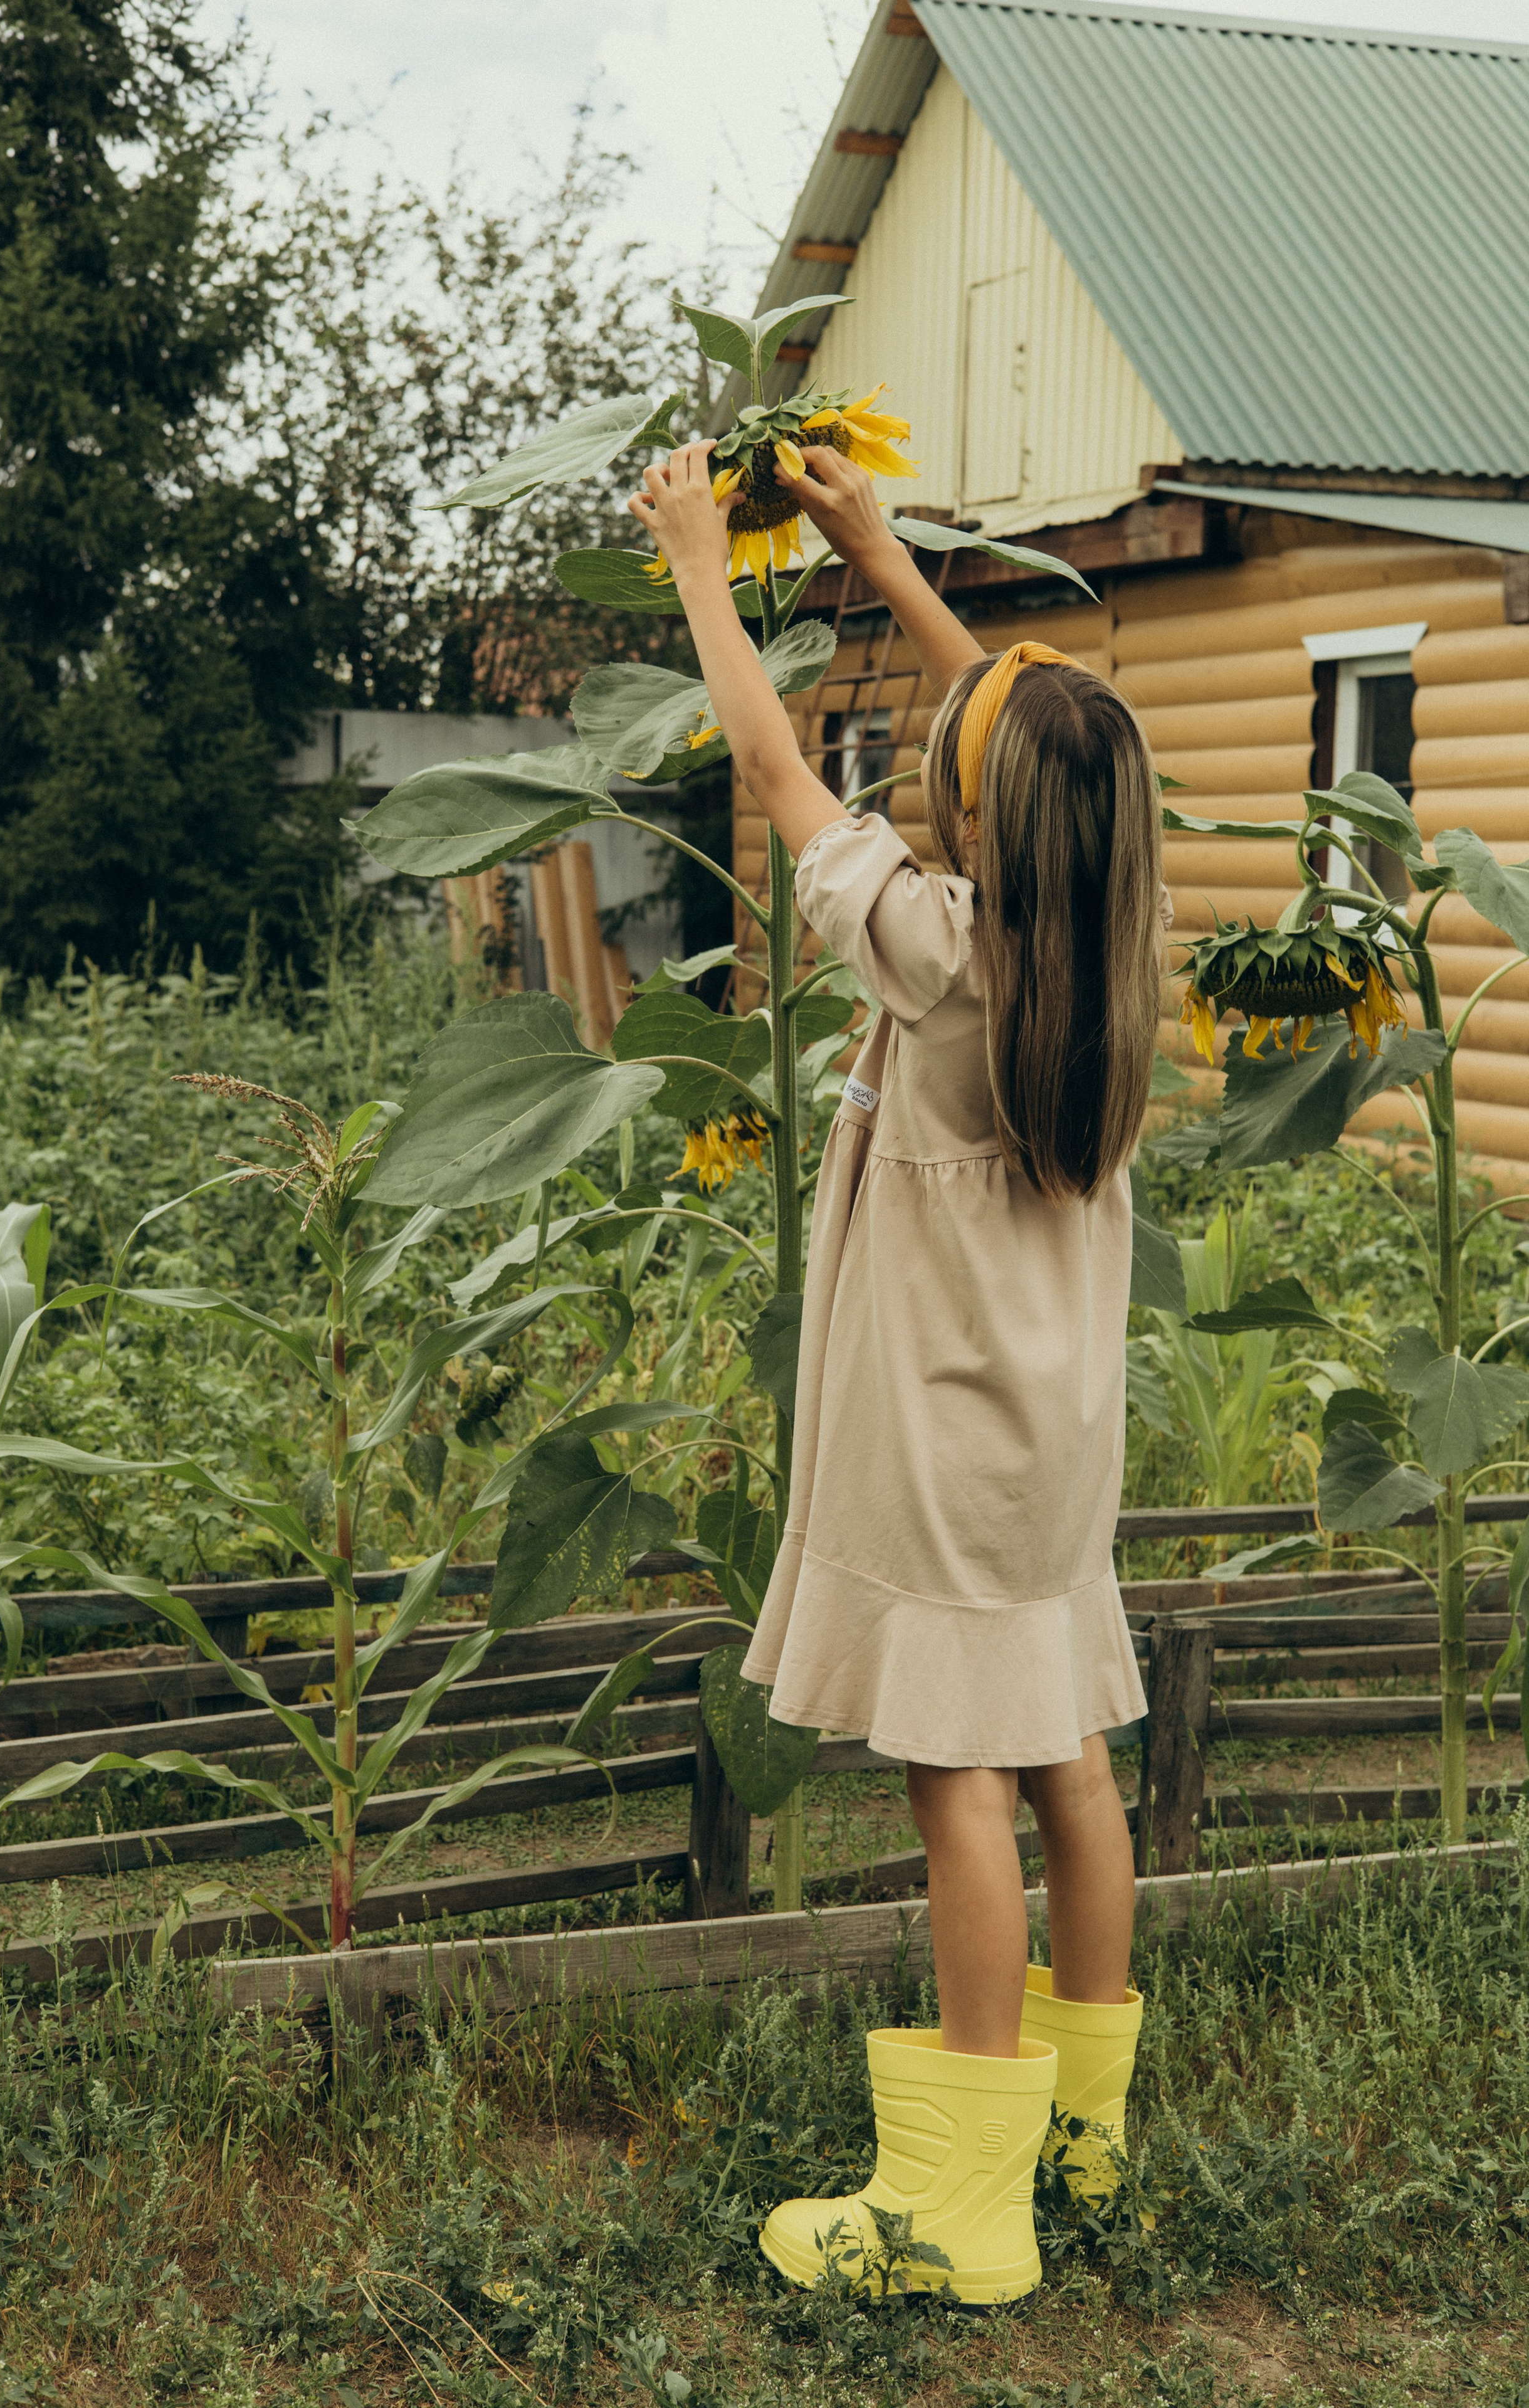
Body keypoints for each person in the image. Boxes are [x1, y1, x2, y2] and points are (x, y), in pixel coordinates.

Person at [628, 436, 1167, 2308]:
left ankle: (958, 2209)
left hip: (942, 1437)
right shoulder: (1104, 958)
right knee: (1067, 1762)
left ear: (982, 823)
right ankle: (1085, 2143)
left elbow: (777, 773)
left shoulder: (935, 953)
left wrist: (710, 555)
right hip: (1051, 1445)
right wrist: (880, 551)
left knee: (957, 1787)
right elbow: (1042, 750)